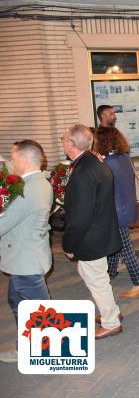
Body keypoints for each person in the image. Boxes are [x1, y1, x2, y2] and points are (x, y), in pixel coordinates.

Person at [62, 124, 122, 339]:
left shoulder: (83, 170)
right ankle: (111, 311)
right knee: (97, 278)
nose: (63, 142)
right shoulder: (95, 162)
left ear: (71, 144)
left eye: (64, 139)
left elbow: (80, 217)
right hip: (100, 232)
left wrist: (69, 245)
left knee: (96, 280)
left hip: (90, 238)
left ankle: (110, 322)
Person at [0, 140, 53, 363]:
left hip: (26, 260)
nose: (11, 162)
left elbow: (3, 223)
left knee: (39, 311)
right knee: (18, 302)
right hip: (27, 256)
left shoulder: (29, 189)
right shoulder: (37, 183)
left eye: (13, 158)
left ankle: (45, 352)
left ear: (24, 160)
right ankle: (31, 347)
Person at [94, 127, 139, 299]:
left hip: (116, 213)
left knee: (127, 249)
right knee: (115, 247)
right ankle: (110, 275)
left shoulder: (106, 163)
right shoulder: (124, 158)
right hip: (126, 208)